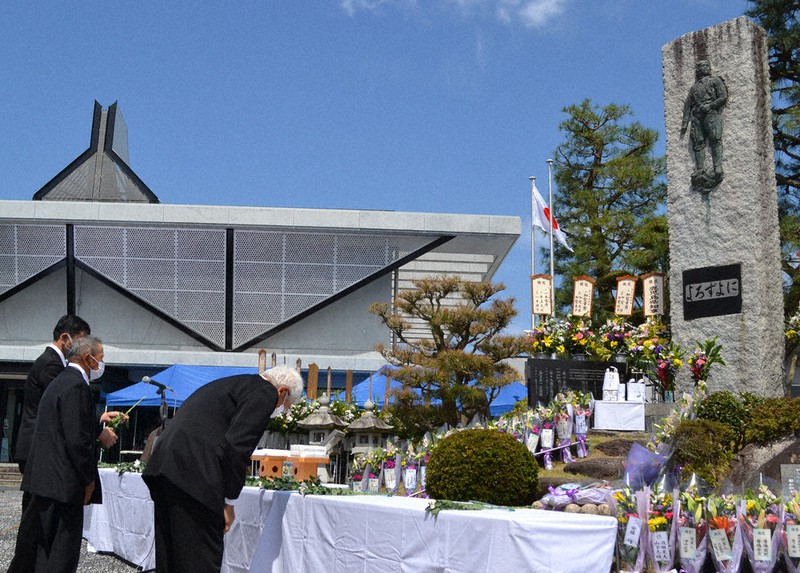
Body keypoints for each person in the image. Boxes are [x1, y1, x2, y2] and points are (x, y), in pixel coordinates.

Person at [143, 366, 304, 573]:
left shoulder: (235, 384)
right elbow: (238, 447)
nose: (283, 410)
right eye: (287, 405)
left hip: (166, 465)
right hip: (195, 473)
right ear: (282, 391)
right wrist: (230, 501)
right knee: (200, 558)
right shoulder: (266, 392)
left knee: (171, 555)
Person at [7, 315, 116, 573]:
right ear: (87, 357)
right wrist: (89, 479)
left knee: (41, 546)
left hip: (44, 476)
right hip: (62, 481)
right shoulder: (73, 384)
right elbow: (77, 440)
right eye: (99, 358)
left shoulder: (60, 381)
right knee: (61, 549)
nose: (100, 364)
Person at [680, 59, 728, 189]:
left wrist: (711, 105)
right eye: (702, 66)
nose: (705, 67)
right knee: (698, 142)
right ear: (698, 69)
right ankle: (700, 168)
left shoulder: (715, 81)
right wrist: (684, 123)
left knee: (715, 139)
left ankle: (717, 166)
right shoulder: (694, 87)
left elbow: (723, 97)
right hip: (697, 117)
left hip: (711, 114)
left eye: (707, 65)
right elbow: (687, 105)